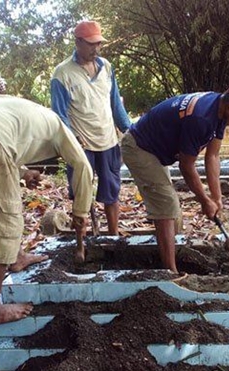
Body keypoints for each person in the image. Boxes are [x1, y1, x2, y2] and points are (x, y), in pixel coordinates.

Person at [0, 95, 93, 327]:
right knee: (1, 220)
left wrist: (22, 172)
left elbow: (3, 135)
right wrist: (80, 213)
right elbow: (83, 167)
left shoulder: (36, 115)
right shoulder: (63, 130)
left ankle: (16, 257)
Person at [122, 80, 229, 273]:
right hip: (139, 147)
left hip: (154, 149)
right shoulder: (201, 119)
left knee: (173, 213)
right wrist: (205, 201)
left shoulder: (219, 110)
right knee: (166, 206)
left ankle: (173, 256)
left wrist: (216, 197)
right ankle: (170, 274)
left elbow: (213, 155)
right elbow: (186, 166)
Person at [51, 20, 131, 235]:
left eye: (99, 44)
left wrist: (130, 130)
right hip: (81, 145)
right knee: (80, 194)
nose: (96, 49)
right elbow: (59, 115)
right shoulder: (62, 74)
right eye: (91, 44)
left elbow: (115, 104)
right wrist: (72, 139)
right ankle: (82, 241)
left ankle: (113, 236)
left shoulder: (106, 67)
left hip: (108, 141)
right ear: (78, 42)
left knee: (112, 192)